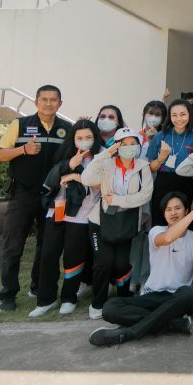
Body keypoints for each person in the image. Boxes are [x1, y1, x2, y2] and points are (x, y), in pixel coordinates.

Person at [89, 191, 193, 347]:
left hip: (177, 299)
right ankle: (172, 324)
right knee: (110, 308)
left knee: (188, 293)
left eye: (178, 208)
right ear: (164, 214)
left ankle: (128, 333)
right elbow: (167, 238)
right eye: (168, 209)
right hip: (152, 295)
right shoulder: (156, 231)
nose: (173, 213)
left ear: (186, 210)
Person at [0, 84, 72, 312]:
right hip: (23, 194)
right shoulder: (20, 125)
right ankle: (7, 294)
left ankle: (38, 287)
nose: (48, 103)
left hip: (53, 196)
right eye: (44, 99)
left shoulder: (67, 128)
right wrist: (23, 150)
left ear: (60, 103)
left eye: (53, 100)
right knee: (13, 245)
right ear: (36, 102)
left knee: (47, 246)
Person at [80, 128, 154, 320]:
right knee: (103, 262)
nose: (129, 147)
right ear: (116, 146)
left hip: (126, 222)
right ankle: (98, 303)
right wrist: (105, 154)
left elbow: (145, 195)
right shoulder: (106, 164)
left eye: (133, 143)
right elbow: (86, 178)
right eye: (124, 144)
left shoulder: (143, 166)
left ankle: (123, 298)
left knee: (122, 264)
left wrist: (117, 200)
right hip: (100, 221)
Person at [30, 120, 99, 317]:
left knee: (73, 257)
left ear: (95, 138)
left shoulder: (100, 157)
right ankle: (46, 299)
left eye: (88, 137)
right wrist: (69, 165)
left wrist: (77, 176)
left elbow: (103, 184)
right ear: (73, 139)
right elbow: (52, 178)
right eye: (79, 137)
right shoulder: (65, 154)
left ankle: (69, 298)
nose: (84, 141)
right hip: (57, 210)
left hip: (82, 214)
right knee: (48, 255)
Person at [145, 99, 193, 228]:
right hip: (163, 183)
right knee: (161, 224)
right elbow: (152, 168)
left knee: (185, 225)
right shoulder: (160, 136)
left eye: (183, 114)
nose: (178, 119)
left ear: (190, 115)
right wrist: (161, 157)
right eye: (174, 115)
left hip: (186, 184)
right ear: (169, 117)